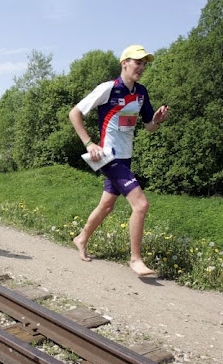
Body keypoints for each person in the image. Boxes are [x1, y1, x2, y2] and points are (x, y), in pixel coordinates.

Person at [69, 44, 170, 278]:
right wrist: (88, 143)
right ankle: (135, 259)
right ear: (124, 63)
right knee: (141, 205)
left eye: (145, 63)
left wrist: (157, 120)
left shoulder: (141, 93)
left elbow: (149, 127)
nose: (142, 67)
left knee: (107, 205)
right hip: (108, 156)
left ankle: (81, 238)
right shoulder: (108, 89)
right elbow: (75, 113)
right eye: (138, 62)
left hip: (126, 157)